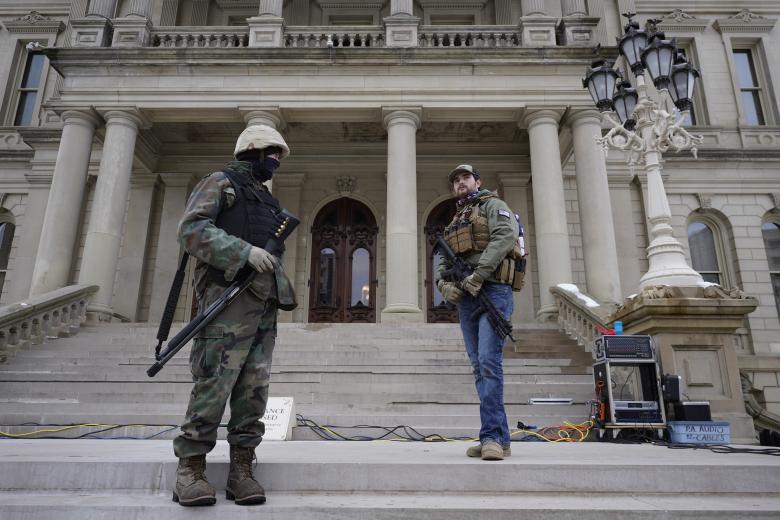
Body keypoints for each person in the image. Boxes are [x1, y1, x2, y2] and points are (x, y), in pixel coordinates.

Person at [172, 125, 296, 506]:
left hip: (263, 303)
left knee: (253, 390)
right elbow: (191, 230)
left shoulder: (267, 201)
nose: (277, 160)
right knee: (214, 383)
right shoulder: (220, 182)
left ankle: (242, 468)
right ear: (254, 150)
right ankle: (190, 469)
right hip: (226, 299)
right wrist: (243, 253)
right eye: (273, 152)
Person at [436, 164, 520, 461]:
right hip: (467, 299)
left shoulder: (494, 206)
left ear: (477, 181)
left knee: (488, 363)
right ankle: (501, 438)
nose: (460, 183)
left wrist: (479, 275)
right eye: (456, 180)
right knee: (479, 367)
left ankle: (491, 438)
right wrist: (444, 287)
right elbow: (442, 261)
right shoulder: (455, 220)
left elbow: (505, 238)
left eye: (465, 178)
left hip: (493, 291)